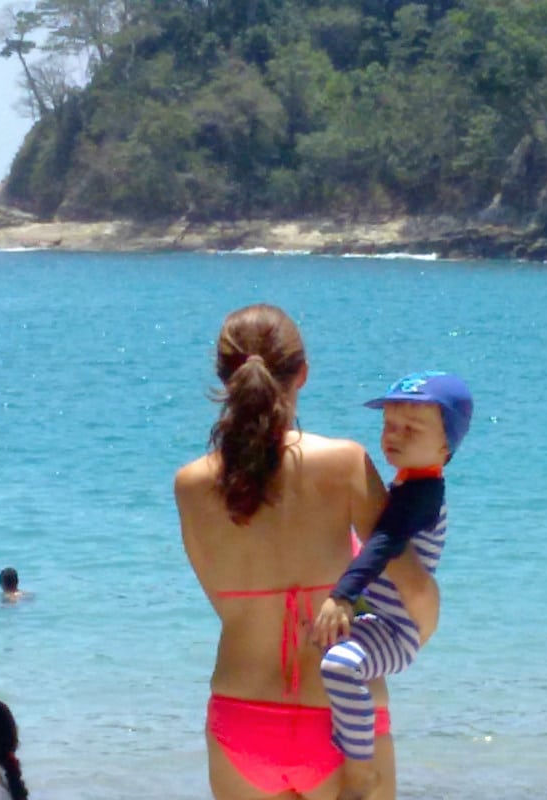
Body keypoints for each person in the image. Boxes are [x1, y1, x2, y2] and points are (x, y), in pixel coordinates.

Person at [175, 304, 440, 800]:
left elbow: (225, 604)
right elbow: (415, 590)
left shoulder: (190, 485)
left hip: (242, 716)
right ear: (302, 375)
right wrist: (403, 643)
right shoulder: (344, 464)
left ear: (225, 378)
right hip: (343, 721)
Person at [311, 371, 472, 800]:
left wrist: (342, 596)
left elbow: (383, 543)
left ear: (445, 446)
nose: (393, 436)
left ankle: (359, 768)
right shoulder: (404, 484)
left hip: (396, 633)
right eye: (388, 426)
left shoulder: (423, 494)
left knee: (339, 666)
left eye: (410, 429)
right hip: (375, 619)